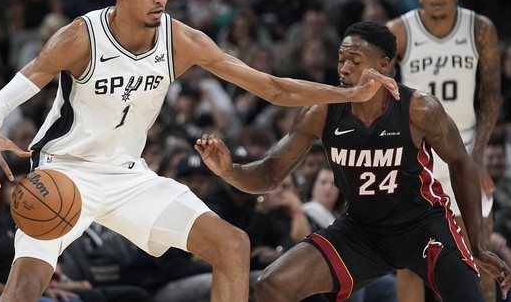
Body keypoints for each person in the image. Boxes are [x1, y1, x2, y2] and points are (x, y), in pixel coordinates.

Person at [0, 0, 399, 302]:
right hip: (62, 172)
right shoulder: (80, 38)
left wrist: (347, 94)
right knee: (26, 287)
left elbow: (272, 88)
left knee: (232, 245)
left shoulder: (182, 41)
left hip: (127, 176)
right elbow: (6, 96)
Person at [194, 21, 511, 301]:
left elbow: (461, 164)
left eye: (355, 61)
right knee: (272, 285)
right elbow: (269, 174)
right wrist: (229, 170)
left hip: (422, 225)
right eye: (341, 59)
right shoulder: (322, 111)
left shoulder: (419, 109)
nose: (344, 69)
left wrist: (479, 243)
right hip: (362, 230)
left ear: (384, 65)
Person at [386, 0, 501, 302]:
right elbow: (381, 95)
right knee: (410, 260)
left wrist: (478, 155)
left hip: (465, 145)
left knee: (479, 255)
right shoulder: (399, 31)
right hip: (419, 150)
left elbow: (491, 94)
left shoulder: (480, 28)